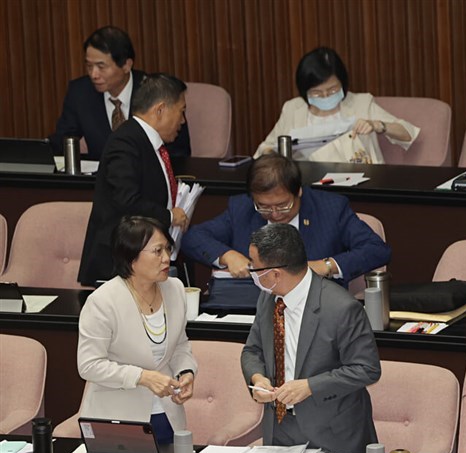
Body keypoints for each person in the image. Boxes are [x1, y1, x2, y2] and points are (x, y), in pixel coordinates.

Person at [241, 223, 381, 453]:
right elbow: (252, 350)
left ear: (275, 274)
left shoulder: (341, 308)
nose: (251, 272)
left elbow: (367, 369)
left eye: (254, 267)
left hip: (333, 433)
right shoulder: (268, 299)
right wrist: (258, 378)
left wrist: (310, 386)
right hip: (280, 429)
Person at [181, 152, 391, 286]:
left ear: (298, 191)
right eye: (263, 206)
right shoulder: (242, 208)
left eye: (283, 205)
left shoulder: (331, 208)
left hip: (318, 312)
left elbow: (376, 250)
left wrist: (326, 266)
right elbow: (193, 238)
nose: (274, 214)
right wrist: (227, 255)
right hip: (252, 312)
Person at [77, 216, 196, 444]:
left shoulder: (175, 289)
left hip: (167, 413)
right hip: (117, 416)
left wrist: (186, 372)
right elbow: (89, 365)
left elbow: (180, 344)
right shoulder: (103, 301)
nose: (166, 258)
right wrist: (142, 377)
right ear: (131, 257)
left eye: (168, 249)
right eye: (157, 251)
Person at [78, 73, 191, 286]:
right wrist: (168, 216)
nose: (183, 121)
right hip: (119, 265)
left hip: (141, 263)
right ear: (160, 110)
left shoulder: (146, 141)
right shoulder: (126, 141)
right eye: (181, 112)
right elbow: (126, 200)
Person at [49, 26, 190, 161]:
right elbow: (61, 141)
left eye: (101, 66)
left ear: (126, 65)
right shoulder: (80, 92)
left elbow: (178, 151)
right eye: (89, 66)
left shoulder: (153, 92)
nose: (93, 74)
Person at [253, 47, 419, 162]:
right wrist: (273, 155)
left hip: (360, 183)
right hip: (310, 189)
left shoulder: (361, 103)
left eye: (332, 90)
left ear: (343, 83)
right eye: (316, 93)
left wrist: (378, 125)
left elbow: (407, 134)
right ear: (305, 91)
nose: (325, 96)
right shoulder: (293, 108)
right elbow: (265, 149)